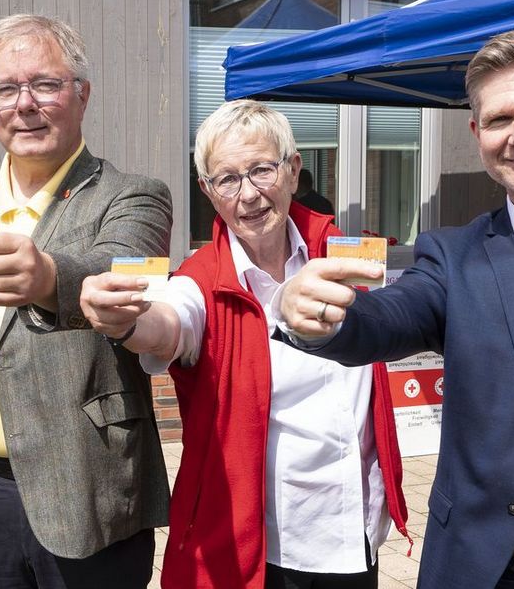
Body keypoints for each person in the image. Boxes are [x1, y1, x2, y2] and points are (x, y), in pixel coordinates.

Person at [278, 23, 514, 588]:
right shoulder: (454, 257)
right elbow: (387, 318)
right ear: (476, 132)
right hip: (509, 573)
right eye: (500, 119)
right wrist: (321, 315)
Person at [80, 99, 409, 589]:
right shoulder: (201, 280)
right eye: (228, 179)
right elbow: (170, 324)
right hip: (261, 543)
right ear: (208, 192)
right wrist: (125, 322)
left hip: (353, 528)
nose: (249, 194)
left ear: (293, 171)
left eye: (261, 170)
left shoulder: (339, 252)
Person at [0, 14, 172, 589]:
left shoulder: (133, 195)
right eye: (6, 89)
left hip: (88, 489)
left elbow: (119, 270)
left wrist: (48, 277)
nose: (25, 104)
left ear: (82, 93)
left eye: (45, 84)